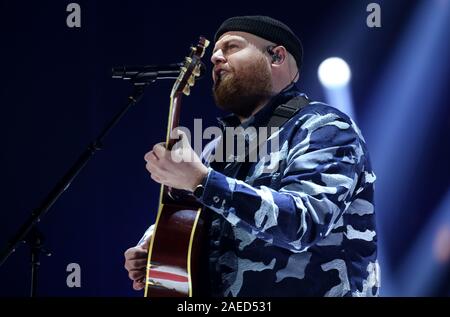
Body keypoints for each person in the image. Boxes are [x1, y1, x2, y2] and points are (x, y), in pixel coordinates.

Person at [124, 15, 380, 297]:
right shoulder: (219, 148)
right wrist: (160, 244)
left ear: (277, 56)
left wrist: (202, 179)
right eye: (214, 53)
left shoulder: (324, 127)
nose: (216, 58)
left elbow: (303, 223)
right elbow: (203, 220)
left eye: (232, 47)